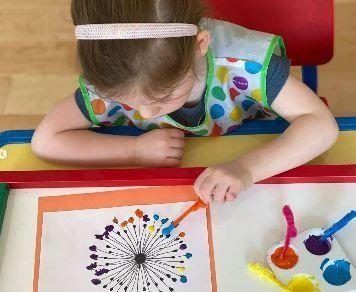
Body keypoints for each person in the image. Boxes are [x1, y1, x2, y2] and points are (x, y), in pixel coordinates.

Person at [31, 0, 339, 203]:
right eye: (123, 101)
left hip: (253, 169)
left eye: (163, 97)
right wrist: (134, 150)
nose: (145, 112)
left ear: (199, 46)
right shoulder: (112, 74)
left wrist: (247, 168)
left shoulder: (245, 63)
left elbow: (321, 125)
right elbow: (45, 141)